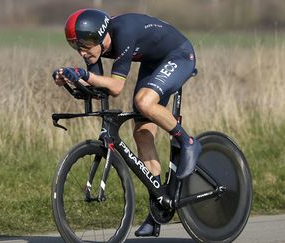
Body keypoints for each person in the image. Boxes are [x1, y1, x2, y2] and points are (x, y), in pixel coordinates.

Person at [52, 9, 202, 237]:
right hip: (154, 63)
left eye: (84, 44)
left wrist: (83, 74)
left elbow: (116, 87)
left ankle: (188, 142)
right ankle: (158, 209)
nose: (82, 52)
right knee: (141, 133)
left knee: (143, 102)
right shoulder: (96, 51)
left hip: (178, 55)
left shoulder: (124, 33)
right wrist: (70, 80)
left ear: (101, 37)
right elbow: (99, 89)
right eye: (76, 46)